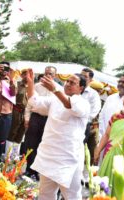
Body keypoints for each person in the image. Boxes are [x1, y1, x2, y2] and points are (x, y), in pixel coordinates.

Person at [26, 69, 90, 200]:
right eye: (67, 81)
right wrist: (30, 83)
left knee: (72, 196)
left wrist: (55, 89)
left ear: (81, 88)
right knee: (45, 194)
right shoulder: (54, 99)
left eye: (73, 83)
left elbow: (69, 104)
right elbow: (34, 101)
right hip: (48, 155)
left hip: (68, 159)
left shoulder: (83, 103)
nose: (68, 84)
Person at [23, 66, 62, 179]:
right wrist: (27, 118)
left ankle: (40, 171)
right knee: (31, 144)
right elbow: (29, 104)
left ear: (55, 75)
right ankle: (29, 170)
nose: (48, 75)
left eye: (50, 74)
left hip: (50, 120)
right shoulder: (36, 86)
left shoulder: (59, 89)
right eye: (46, 73)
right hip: (35, 118)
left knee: (44, 146)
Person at [98, 75, 124, 141]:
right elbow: (102, 115)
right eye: (119, 81)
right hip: (103, 136)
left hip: (119, 139)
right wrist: (102, 132)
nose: (120, 84)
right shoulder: (110, 97)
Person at [6, 68, 28, 154]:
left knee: (21, 133)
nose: (27, 76)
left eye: (29, 74)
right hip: (16, 111)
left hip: (27, 113)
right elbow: (12, 94)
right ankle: (8, 154)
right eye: (25, 74)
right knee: (12, 132)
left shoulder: (32, 87)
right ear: (22, 75)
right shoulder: (17, 84)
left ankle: (14, 155)